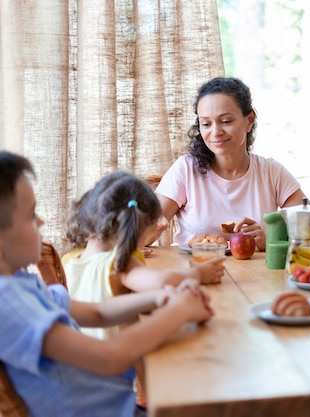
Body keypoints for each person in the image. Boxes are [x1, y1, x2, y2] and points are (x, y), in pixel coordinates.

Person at [0, 150, 214, 417]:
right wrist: (179, 311)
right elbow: (109, 357)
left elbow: (97, 313)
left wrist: (160, 299)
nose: (41, 221)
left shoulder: (20, 285)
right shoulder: (8, 301)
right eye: (31, 215)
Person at [148, 77, 310, 251]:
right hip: (194, 273)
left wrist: (271, 240)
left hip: (255, 277)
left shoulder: (271, 172)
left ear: (249, 120)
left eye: (226, 121)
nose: (216, 132)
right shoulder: (186, 169)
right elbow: (144, 232)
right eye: (206, 124)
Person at [62, 170, 225, 340]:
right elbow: (160, 282)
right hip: (117, 361)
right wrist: (198, 273)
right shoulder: (119, 264)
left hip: (79, 358)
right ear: (136, 230)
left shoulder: (68, 260)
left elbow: (136, 301)